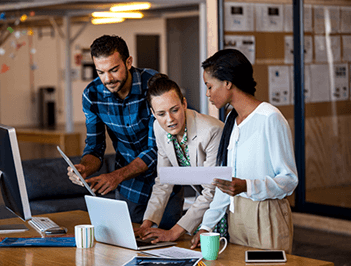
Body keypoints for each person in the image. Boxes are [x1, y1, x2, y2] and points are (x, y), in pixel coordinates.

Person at [67, 35, 183, 227]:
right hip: (129, 187)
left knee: (169, 246)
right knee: (127, 246)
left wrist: (116, 176)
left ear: (128, 62)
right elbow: (95, 146)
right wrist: (84, 168)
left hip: (165, 181)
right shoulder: (92, 95)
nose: (108, 79)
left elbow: (157, 148)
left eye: (114, 70)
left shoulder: (154, 85)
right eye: (101, 72)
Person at [190, 49, 298, 254]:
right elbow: (226, 183)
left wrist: (247, 186)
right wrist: (206, 226)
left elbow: (289, 180)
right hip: (236, 215)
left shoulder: (270, 118)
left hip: (267, 216)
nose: (207, 93)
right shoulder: (231, 120)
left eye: (210, 86)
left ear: (228, 83)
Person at [134, 73, 224, 243]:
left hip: (225, 206)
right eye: (161, 114)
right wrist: (146, 225)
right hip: (204, 207)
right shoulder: (159, 129)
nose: (170, 120)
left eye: (174, 110)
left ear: (184, 103)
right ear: (153, 113)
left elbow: (212, 190)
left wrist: (173, 233)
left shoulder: (211, 131)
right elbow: (164, 181)